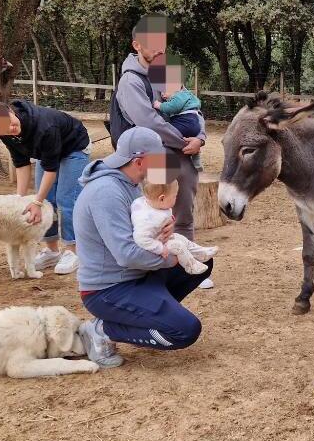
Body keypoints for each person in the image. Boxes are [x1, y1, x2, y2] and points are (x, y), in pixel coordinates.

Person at [73, 127, 215, 368]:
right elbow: (127, 254)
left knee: (200, 263)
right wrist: (172, 259)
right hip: (107, 288)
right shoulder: (106, 192)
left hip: (136, 275)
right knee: (185, 330)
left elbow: (145, 226)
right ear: (139, 162)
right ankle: (102, 330)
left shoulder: (131, 182)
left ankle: (148, 314)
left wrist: (167, 228)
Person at [112, 14, 205, 241]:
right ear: (137, 44)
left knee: (183, 218)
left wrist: (200, 138)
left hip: (183, 153)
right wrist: (184, 142)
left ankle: (186, 273)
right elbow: (149, 123)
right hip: (154, 155)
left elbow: (192, 106)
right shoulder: (130, 81)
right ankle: (159, 269)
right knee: (156, 219)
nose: (160, 48)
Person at [0, 97, 90, 274]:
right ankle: (52, 250)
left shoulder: (44, 126)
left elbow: (50, 170)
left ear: (10, 111)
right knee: (46, 200)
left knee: (66, 200)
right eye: (4, 130)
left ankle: (72, 251)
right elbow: (21, 164)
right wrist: (20, 201)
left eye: (10, 122)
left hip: (73, 148)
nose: (11, 129)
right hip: (47, 153)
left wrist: (35, 202)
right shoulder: (6, 132)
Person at [132, 180, 218, 283]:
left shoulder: (148, 202)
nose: (176, 199)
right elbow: (140, 239)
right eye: (174, 196)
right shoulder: (149, 220)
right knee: (178, 246)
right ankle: (191, 266)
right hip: (155, 245)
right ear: (162, 198)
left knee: (181, 238)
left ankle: (200, 253)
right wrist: (160, 249)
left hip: (162, 238)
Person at [152, 61, 204, 171]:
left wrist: (159, 105)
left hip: (185, 121)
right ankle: (196, 158)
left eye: (165, 91)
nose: (163, 94)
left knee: (168, 134)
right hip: (193, 124)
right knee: (185, 141)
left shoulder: (180, 96)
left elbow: (171, 108)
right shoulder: (187, 95)